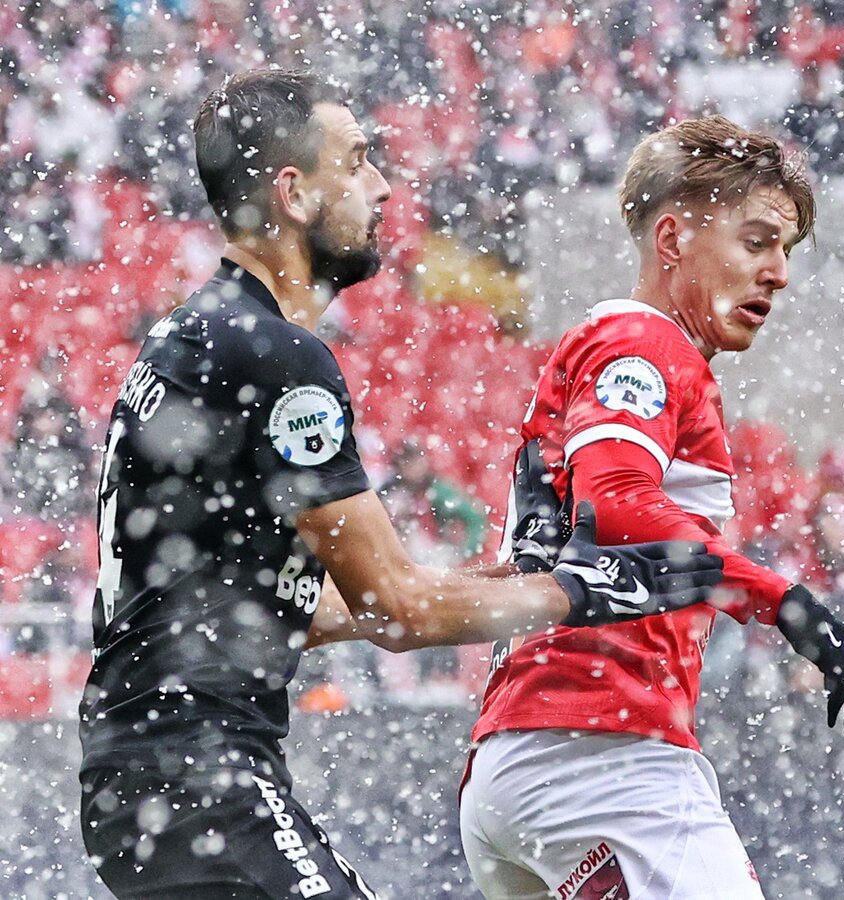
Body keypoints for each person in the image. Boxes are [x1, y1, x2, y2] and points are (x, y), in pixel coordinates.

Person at [77, 68, 725, 900]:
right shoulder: (277, 356)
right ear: (293, 194)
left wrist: (458, 585)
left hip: (148, 781)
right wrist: (582, 591)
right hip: (199, 782)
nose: (383, 185)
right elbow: (398, 610)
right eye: (356, 162)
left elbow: (240, 606)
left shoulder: (190, 334)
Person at [459, 116, 844, 900]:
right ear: (674, 238)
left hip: (530, 757)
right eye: (757, 242)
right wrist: (787, 604)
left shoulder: (624, 347)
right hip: (603, 763)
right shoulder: (643, 345)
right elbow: (615, 502)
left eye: (785, 250)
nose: (779, 272)